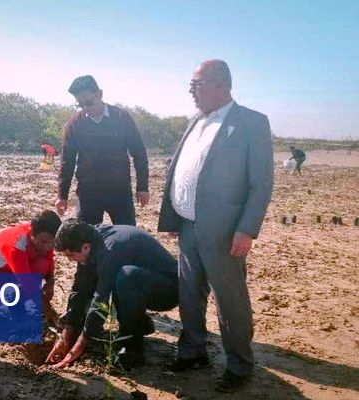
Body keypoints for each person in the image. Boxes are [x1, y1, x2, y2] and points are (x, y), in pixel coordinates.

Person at [158, 60, 274, 393]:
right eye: (190, 85)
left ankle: (239, 364)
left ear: (220, 84)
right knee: (189, 293)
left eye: (196, 84)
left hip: (226, 230)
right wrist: (176, 214)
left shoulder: (251, 122)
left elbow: (261, 183)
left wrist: (247, 229)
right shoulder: (196, 120)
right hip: (188, 225)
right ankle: (194, 351)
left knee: (230, 299)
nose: (190, 91)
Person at [45, 219, 178, 369]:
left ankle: (132, 350)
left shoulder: (109, 250)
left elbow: (101, 300)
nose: (70, 260)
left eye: (71, 256)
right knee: (118, 279)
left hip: (169, 291)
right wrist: (67, 332)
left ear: (85, 247)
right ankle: (139, 325)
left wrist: (81, 344)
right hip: (146, 282)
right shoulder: (90, 239)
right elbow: (80, 288)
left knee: (125, 277)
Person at [55, 75, 149, 226]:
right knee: (86, 240)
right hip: (88, 193)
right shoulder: (74, 124)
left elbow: (139, 153)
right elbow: (67, 161)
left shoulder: (121, 118)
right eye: (80, 104)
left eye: (88, 102)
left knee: (126, 236)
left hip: (120, 191)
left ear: (99, 94)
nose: (85, 107)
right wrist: (62, 195)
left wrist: (142, 187)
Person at [0, 210, 62, 326]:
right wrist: (49, 311)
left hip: (18, 269)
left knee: (42, 265)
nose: (47, 247)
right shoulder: (17, 243)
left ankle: (16, 302)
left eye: (52, 243)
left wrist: (50, 282)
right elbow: (28, 283)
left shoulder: (45, 237)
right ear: (32, 233)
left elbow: (49, 260)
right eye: (43, 242)